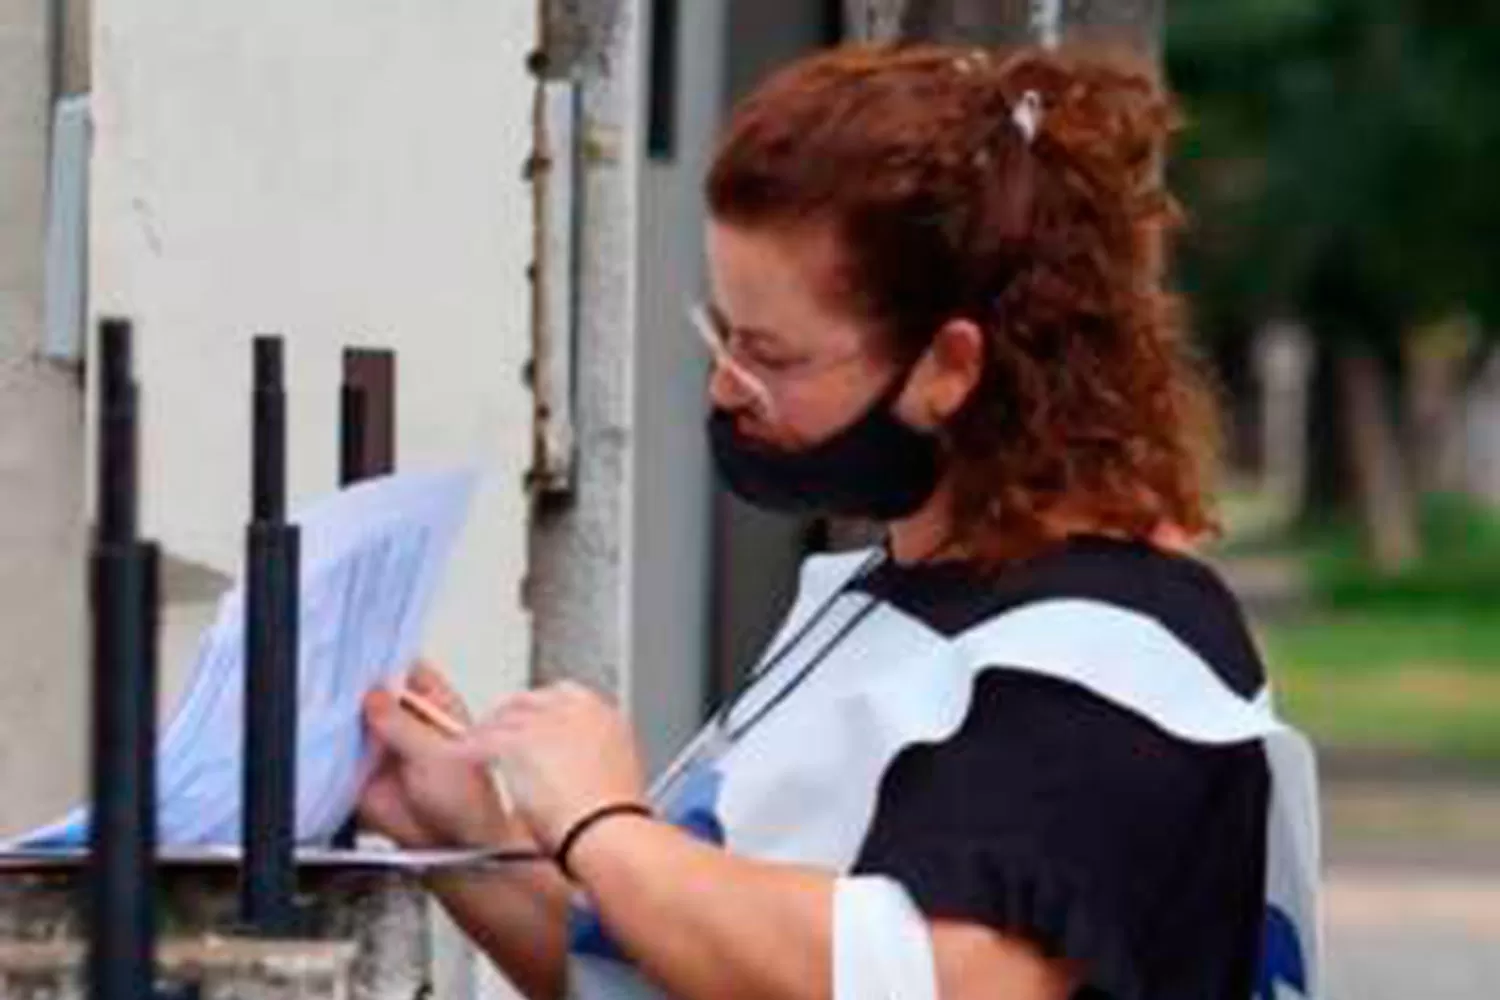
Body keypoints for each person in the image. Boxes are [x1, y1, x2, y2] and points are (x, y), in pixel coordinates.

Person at [358, 43, 1320, 1000]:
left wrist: (603, 826)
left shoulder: (1107, 662)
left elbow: (935, 980)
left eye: (773, 356)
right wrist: (462, 835)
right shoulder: (885, 590)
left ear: (950, 368)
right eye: (723, 334)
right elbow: (678, 974)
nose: (728, 389)